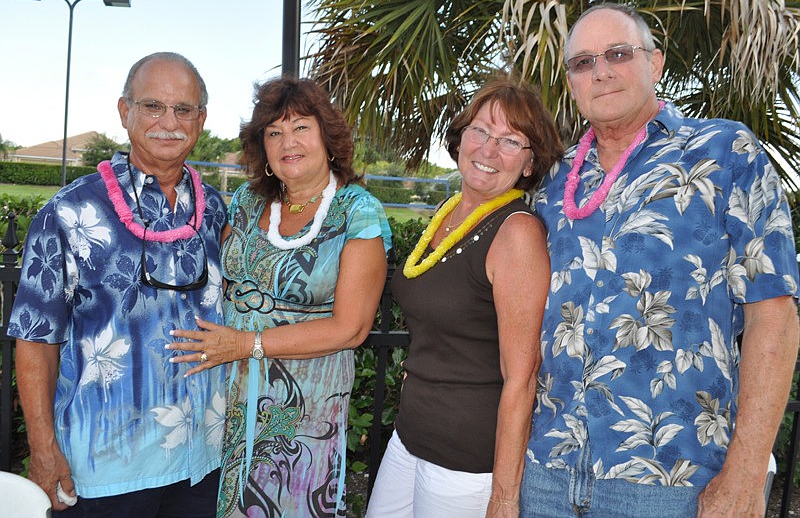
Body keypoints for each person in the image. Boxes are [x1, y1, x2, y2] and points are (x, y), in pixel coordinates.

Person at [522, 3, 800, 518]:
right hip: (546, 473)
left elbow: (774, 315)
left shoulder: (724, 153)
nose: (601, 71)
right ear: (572, 83)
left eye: (618, 54)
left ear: (655, 63)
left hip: (671, 482)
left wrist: (745, 474)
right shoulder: (553, 179)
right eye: (583, 62)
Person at [10, 51, 228, 517]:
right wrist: (43, 450)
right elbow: (35, 341)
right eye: (153, 106)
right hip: (107, 468)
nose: (169, 122)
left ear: (201, 119)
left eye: (183, 109)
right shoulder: (69, 212)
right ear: (124, 111)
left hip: (203, 460)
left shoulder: (214, 210)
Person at [166, 76, 392, 517]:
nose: (288, 142)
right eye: (274, 132)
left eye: (301, 127)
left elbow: (352, 328)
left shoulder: (357, 211)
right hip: (225, 396)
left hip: (303, 410)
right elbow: (221, 286)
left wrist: (245, 344)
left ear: (327, 137)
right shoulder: (246, 202)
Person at [366, 75, 563, 518]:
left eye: (510, 141)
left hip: (465, 459)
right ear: (460, 139)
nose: (489, 150)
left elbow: (522, 377)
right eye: (481, 131)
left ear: (529, 164)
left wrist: (505, 496)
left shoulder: (516, 233)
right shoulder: (449, 212)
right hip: (411, 435)